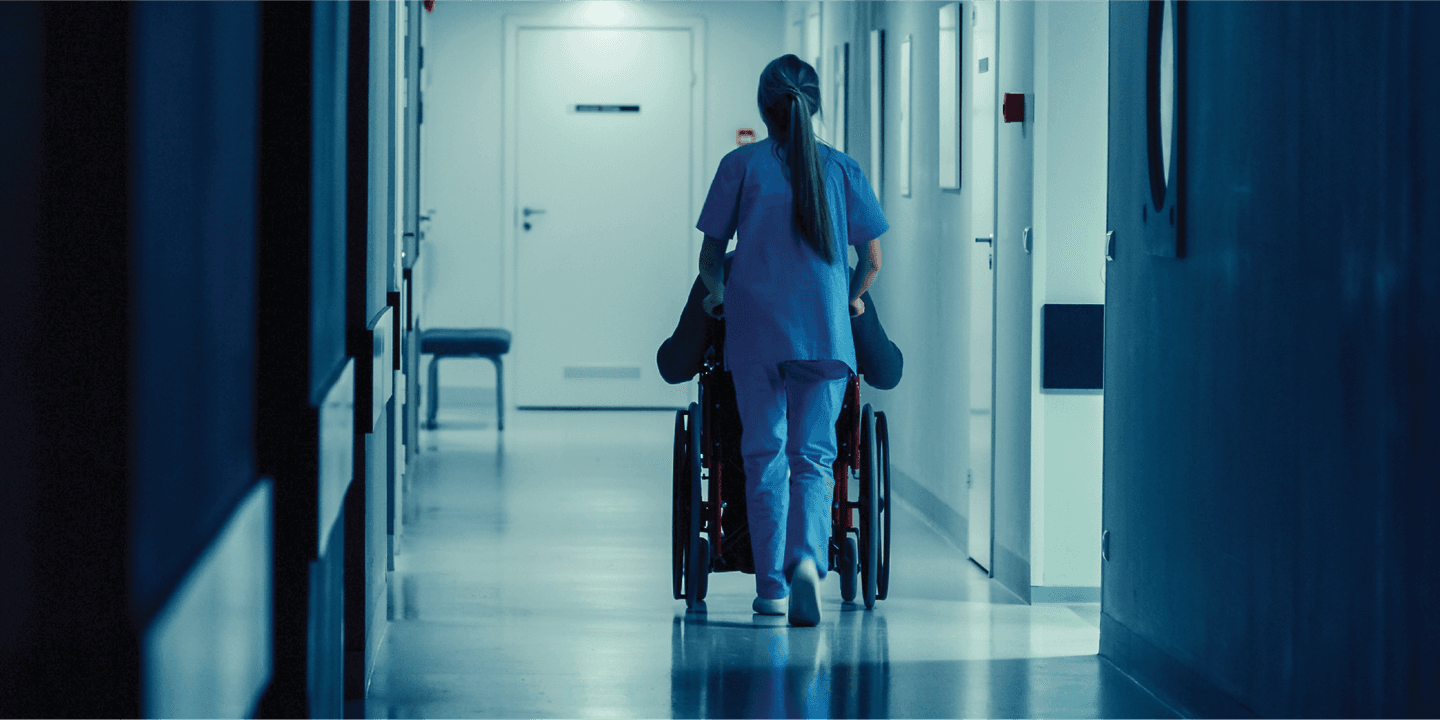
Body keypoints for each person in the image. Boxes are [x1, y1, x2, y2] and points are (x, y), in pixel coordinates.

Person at [692, 54, 887, 627]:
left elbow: (709, 260)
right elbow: (871, 261)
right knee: (817, 457)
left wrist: (720, 294)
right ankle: (808, 563)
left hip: (755, 331)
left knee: (763, 454)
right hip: (825, 333)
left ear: (763, 106)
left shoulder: (740, 165)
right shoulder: (843, 169)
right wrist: (846, 297)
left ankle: (772, 587)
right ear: (816, 104)